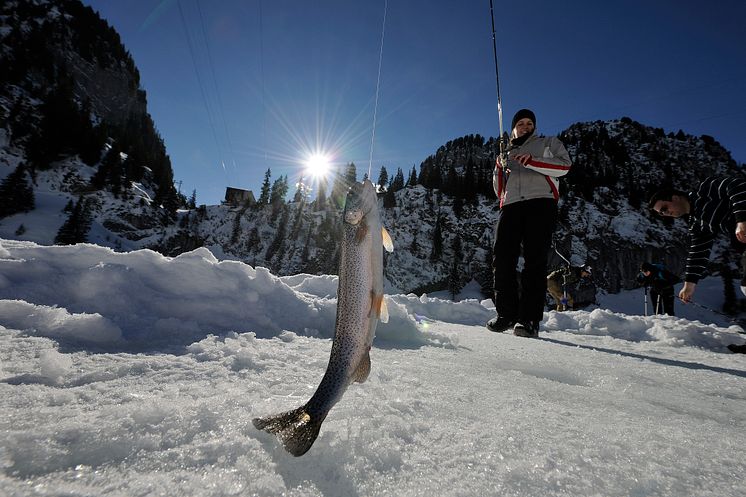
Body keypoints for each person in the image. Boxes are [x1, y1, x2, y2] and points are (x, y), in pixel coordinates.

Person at [486, 109, 572, 337]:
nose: (526, 127)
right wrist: (499, 167)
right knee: (502, 258)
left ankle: (530, 319)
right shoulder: (506, 153)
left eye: (530, 123)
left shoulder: (548, 143)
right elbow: (499, 191)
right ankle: (506, 314)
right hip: (511, 205)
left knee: (535, 261)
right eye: (521, 123)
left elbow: (564, 167)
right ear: (513, 128)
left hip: (541, 203)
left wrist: (532, 161)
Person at [649, 176, 746, 304]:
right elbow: (698, 252)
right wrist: (689, 285)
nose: (665, 214)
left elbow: (738, 185)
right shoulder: (696, 224)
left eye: (664, 208)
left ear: (675, 197)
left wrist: (742, 220)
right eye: (661, 213)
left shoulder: (706, 189)